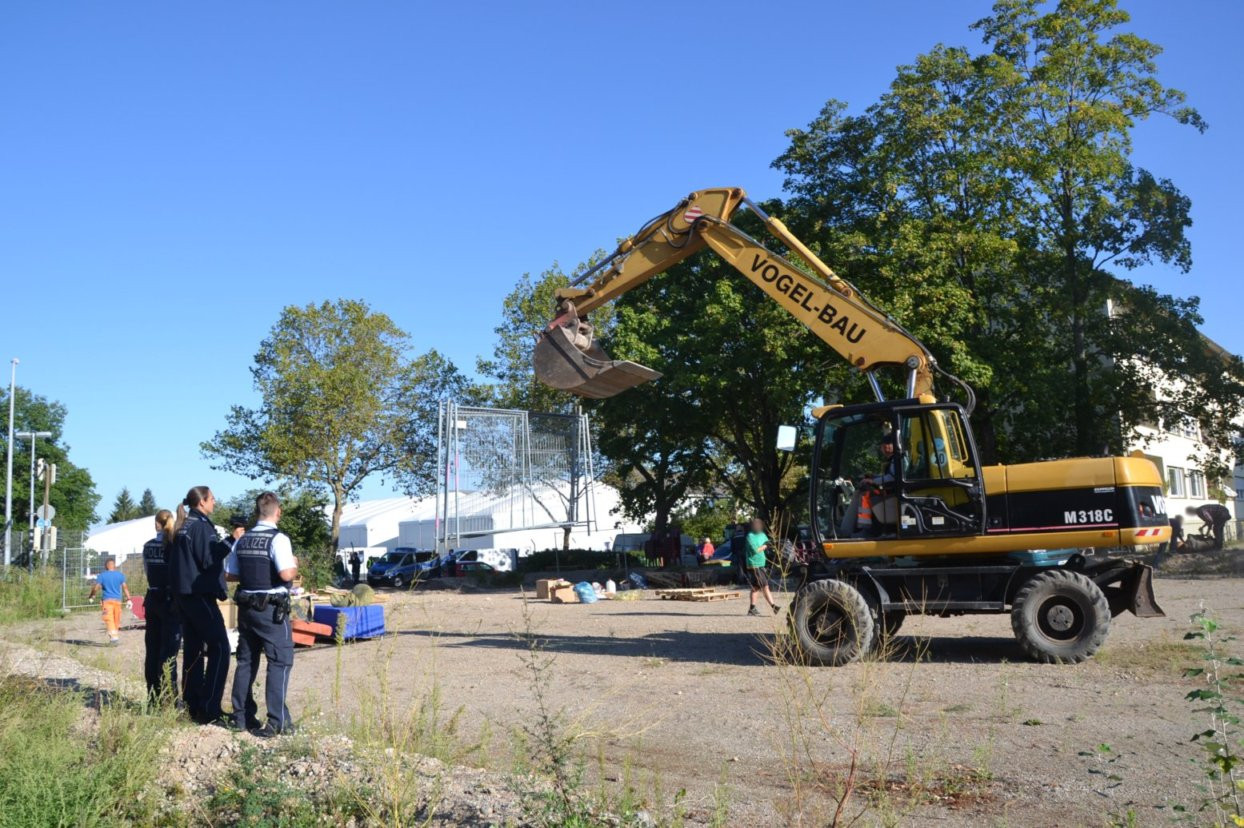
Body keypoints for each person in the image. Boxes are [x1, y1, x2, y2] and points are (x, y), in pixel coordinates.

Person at [225, 491, 298, 737]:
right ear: (278, 512)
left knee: (246, 661)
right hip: (271, 610)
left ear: (257, 512)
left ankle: (241, 717)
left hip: (246, 609)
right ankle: (277, 721)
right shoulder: (279, 539)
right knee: (280, 661)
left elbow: (229, 574)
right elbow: (287, 574)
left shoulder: (242, 540)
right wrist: (294, 564)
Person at [171, 485, 232, 726]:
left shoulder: (183, 526)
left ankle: (192, 704)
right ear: (202, 502)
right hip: (199, 595)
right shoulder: (201, 526)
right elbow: (208, 558)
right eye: (213, 499)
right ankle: (210, 709)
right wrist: (231, 540)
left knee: (194, 651)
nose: (215, 503)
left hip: (184, 597)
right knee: (221, 648)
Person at [141, 509, 183, 703]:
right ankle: (170, 698)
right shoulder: (174, 546)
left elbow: (147, 570)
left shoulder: (147, 546)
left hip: (152, 597)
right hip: (169, 600)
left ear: (156, 523)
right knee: (169, 651)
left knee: (152, 648)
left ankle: (152, 696)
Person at [87, 557, 131, 644]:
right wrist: (129, 599)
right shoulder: (120, 575)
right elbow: (125, 587)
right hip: (118, 601)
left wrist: (92, 595)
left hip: (107, 601)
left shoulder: (102, 575)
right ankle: (115, 636)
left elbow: (96, 587)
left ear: (106, 566)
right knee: (116, 620)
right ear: (114, 566)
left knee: (108, 618)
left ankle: (114, 638)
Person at [745, 518, 780, 616]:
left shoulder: (762, 534)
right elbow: (755, 550)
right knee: (765, 586)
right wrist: (764, 547)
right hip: (754, 564)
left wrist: (771, 544)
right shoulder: (750, 536)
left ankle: (752, 609)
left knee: (756, 587)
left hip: (761, 563)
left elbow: (767, 543)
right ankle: (774, 606)